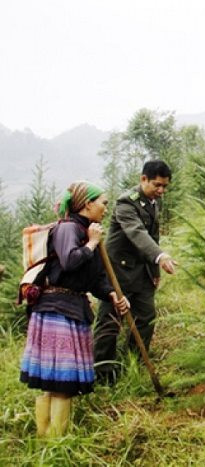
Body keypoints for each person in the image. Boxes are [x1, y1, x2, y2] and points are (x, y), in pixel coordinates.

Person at [19, 181, 130, 437]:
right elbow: (70, 261)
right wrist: (91, 243)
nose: (106, 207)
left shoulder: (88, 231)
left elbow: (95, 277)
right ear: (87, 204)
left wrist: (112, 294)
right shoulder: (69, 228)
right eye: (102, 202)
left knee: (57, 384)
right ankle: (53, 442)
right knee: (59, 384)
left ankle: (47, 442)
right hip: (58, 311)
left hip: (70, 309)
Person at [93, 160, 177, 384]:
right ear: (143, 179)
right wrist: (161, 256)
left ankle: (134, 364)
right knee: (111, 319)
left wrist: (155, 269)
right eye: (157, 185)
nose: (161, 191)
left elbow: (153, 237)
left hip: (143, 273)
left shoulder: (153, 202)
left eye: (165, 187)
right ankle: (102, 372)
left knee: (146, 317)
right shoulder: (126, 203)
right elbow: (137, 233)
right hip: (118, 271)